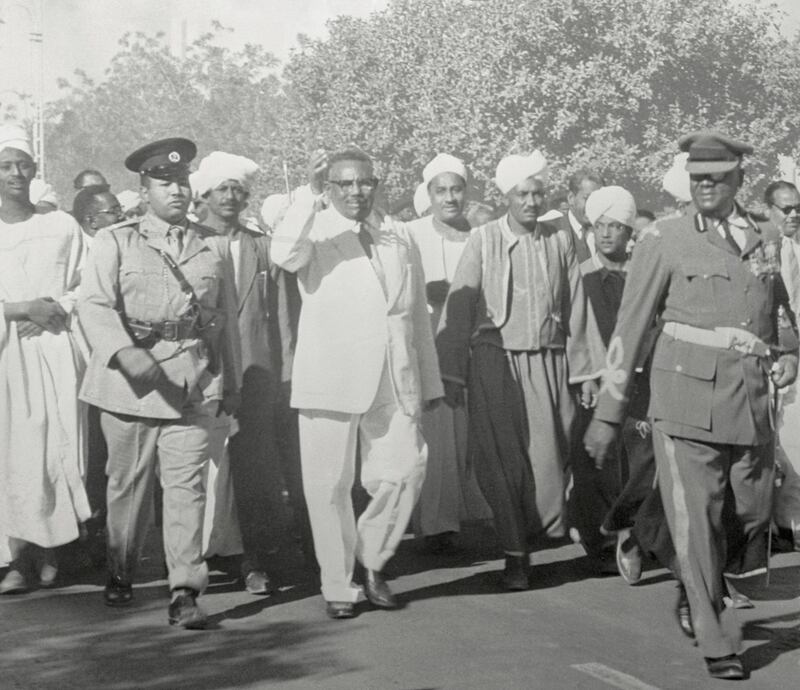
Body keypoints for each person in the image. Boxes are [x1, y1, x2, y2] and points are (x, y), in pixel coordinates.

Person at [585, 131, 798, 680]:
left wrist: (789, 351)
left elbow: (777, 307)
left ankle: (685, 567)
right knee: (696, 519)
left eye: (718, 177)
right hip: (684, 402)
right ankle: (715, 637)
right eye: (698, 177)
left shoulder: (764, 234)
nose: (706, 186)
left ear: (738, 180)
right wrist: (608, 413)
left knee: (750, 514)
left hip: (749, 401)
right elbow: (627, 331)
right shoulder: (664, 237)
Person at [271, 147, 443, 619]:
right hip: (330, 375)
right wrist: (307, 195)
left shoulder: (397, 234)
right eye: (343, 184)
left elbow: (416, 317)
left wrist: (427, 380)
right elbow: (283, 253)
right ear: (329, 188)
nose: (355, 192)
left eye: (364, 182)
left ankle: (372, 560)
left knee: (407, 468)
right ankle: (337, 585)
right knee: (328, 486)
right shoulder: (314, 230)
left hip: (393, 376)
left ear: (376, 184)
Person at [78, 137, 242, 629]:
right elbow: (94, 305)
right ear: (143, 188)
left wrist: (228, 380)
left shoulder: (211, 246)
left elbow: (225, 321)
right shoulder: (117, 240)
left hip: (193, 380)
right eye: (163, 182)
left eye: (182, 181)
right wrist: (125, 352)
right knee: (126, 487)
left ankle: (184, 588)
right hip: (132, 385)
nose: (176, 190)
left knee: (186, 487)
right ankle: (121, 570)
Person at [437, 151, 600, 591]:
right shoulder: (484, 238)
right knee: (501, 460)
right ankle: (515, 555)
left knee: (550, 464)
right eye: (521, 194)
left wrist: (586, 372)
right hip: (494, 363)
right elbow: (459, 304)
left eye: (537, 192)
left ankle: (531, 534)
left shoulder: (560, 239)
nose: (531, 201)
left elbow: (577, 308)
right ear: (505, 195)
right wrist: (451, 373)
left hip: (550, 362)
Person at [194, 150, 308, 593]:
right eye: (222, 189)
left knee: (255, 470)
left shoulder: (260, 245)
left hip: (257, 374)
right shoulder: (186, 242)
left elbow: (279, 311)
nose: (231, 197)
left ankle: (254, 560)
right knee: (201, 470)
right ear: (202, 194)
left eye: (239, 191)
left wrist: (286, 372)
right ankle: (193, 561)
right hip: (201, 373)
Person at [0, 123, 91, 593]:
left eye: (24, 164)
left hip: (55, 350)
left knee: (58, 449)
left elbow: (87, 282)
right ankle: (17, 559)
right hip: (6, 360)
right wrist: (21, 309)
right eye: (6, 165)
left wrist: (55, 308)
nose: (17, 173)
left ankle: (54, 549)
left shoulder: (59, 225)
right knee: (13, 456)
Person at [407, 154, 490, 553]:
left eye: (456, 189)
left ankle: (475, 508)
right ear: (429, 194)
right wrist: (425, 294)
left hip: (478, 344)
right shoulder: (411, 234)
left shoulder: (483, 233)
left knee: (474, 430)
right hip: (430, 346)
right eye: (441, 190)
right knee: (438, 433)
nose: (450, 198)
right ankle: (437, 525)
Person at [767, 180, 800, 546]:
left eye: (797, 208)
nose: (793, 214)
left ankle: (792, 520)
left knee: (795, 436)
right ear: (770, 210)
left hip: (798, 352)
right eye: (785, 209)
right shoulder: (762, 249)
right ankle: (773, 519)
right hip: (771, 352)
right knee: (774, 437)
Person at [559, 169, 605, 262]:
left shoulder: (607, 232)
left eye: (600, 200)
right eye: (587, 198)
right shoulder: (551, 233)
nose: (594, 206)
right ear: (571, 198)